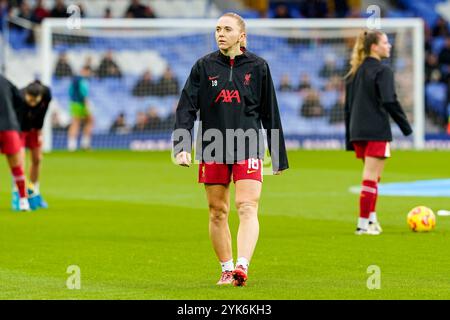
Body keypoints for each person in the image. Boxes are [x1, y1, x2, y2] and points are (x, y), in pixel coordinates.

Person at [173, 13, 288, 286]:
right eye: (217, 29)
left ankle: (241, 266)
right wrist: (181, 145)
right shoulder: (203, 66)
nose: (220, 33)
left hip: (248, 143)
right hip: (213, 144)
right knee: (217, 211)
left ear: (242, 36)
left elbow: (270, 111)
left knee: (247, 206)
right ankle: (225, 268)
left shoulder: (259, 67)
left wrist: (278, 155)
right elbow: (186, 107)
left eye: (227, 29)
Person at [345, 30, 413, 235]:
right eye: (385, 42)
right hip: (376, 130)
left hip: (357, 131)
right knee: (370, 178)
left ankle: (372, 220)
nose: (389, 45)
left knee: (374, 177)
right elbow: (390, 100)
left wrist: (349, 138)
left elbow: (348, 106)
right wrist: (406, 127)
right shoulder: (383, 71)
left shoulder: (355, 71)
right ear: (374, 47)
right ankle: (363, 225)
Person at [13, 80, 51, 210]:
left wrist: (39, 130)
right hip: (20, 129)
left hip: (34, 129)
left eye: (36, 100)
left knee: (37, 159)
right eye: (30, 100)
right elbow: (16, 120)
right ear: (26, 95)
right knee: (20, 161)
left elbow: (44, 112)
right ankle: (18, 195)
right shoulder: (18, 98)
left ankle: (34, 192)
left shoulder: (46, 94)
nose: (33, 103)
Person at [0, 75, 30, 211]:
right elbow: (20, 100)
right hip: (9, 127)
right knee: (16, 166)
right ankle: (23, 201)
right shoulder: (6, 81)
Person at [68, 66, 93, 151]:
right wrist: (86, 105)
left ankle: (75, 145)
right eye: (88, 71)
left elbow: (70, 91)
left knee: (87, 121)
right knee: (77, 123)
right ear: (84, 71)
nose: (89, 74)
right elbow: (84, 94)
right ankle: (81, 144)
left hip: (74, 103)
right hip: (80, 104)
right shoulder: (82, 80)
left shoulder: (75, 79)